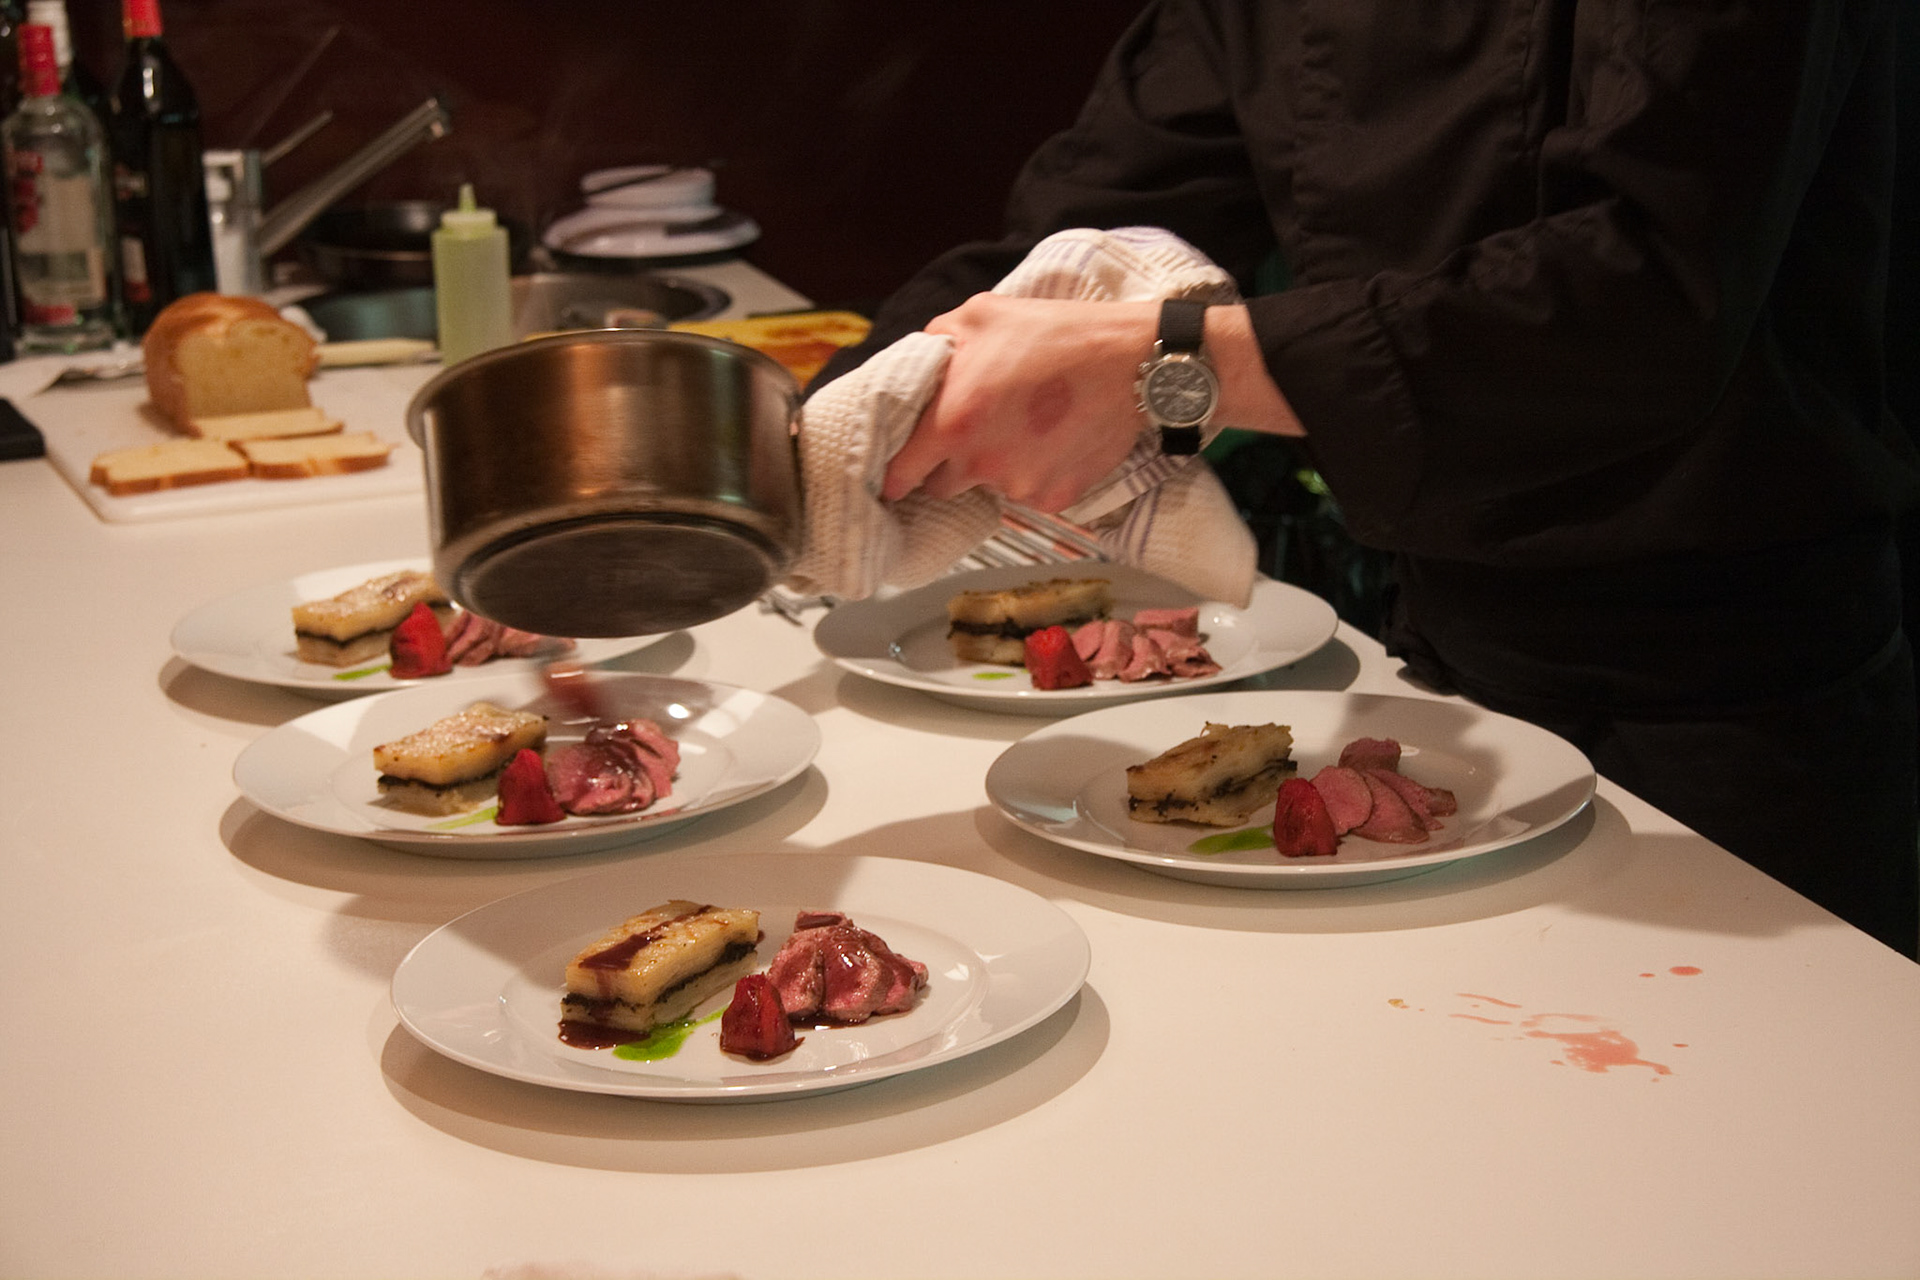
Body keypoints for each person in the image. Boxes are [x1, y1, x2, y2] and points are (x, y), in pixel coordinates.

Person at [812, 0, 1920, 956]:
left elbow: (1656, 294)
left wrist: (1176, 366)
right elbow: (1078, 237)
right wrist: (790, 461)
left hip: (1732, 707)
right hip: (1437, 674)